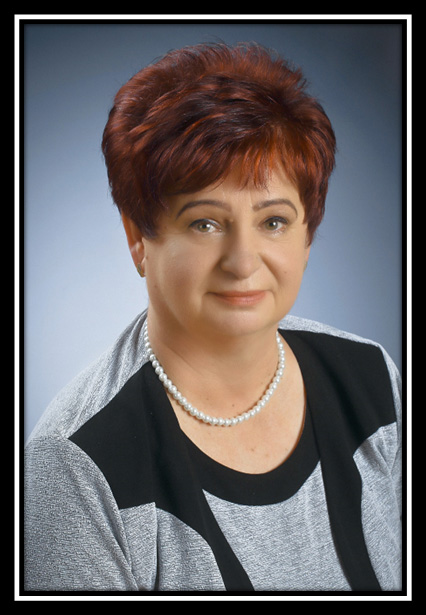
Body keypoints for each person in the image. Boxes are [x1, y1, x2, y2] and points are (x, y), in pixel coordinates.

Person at [24, 42, 402, 593]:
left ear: (307, 235)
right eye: (205, 223)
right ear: (137, 237)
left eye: (273, 222)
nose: (243, 262)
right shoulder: (77, 464)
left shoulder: (371, 379)